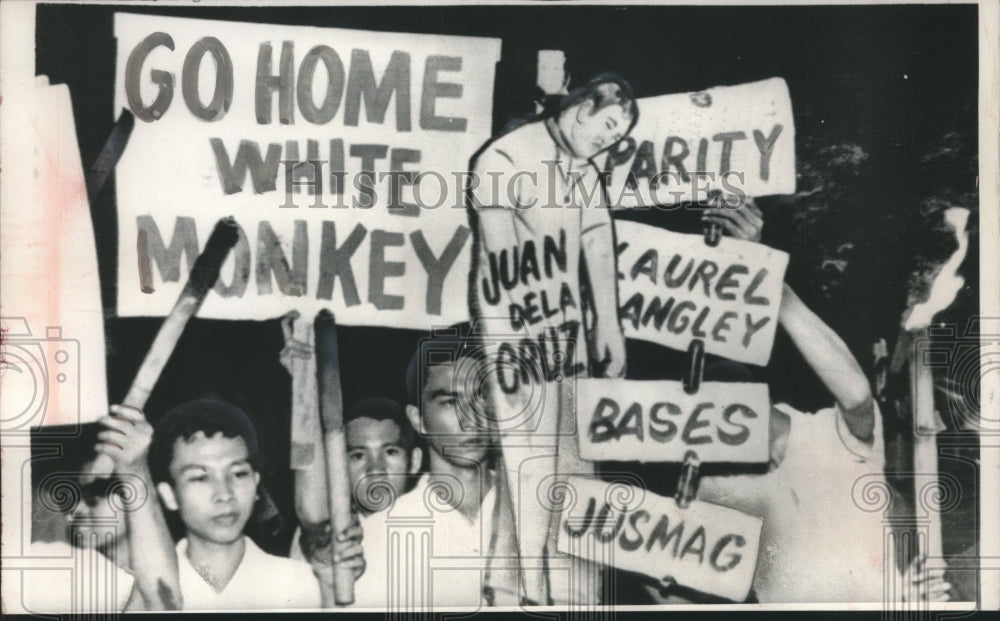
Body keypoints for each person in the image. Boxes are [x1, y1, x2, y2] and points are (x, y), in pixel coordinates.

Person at [468, 71, 639, 605]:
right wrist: (511, 348)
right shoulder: (501, 158)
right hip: (516, 328)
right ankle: (532, 595)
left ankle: (554, 592)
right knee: (528, 459)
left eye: (618, 137)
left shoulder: (583, 170)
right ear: (582, 106)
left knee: (574, 459)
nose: (608, 140)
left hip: (569, 334)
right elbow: (498, 264)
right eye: (607, 125)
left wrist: (607, 324)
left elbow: (597, 238)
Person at [349, 328, 520, 609]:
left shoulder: (535, 517)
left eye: (481, 399)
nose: (471, 419)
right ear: (418, 419)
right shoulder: (382, 535)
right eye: (451, 402)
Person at [142, 399, 324, 610]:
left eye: (238, 474)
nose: (224, 494)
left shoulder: (302, 585)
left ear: (256, 484)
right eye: (200, 477)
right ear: (169, 495)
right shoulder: (142, 590)